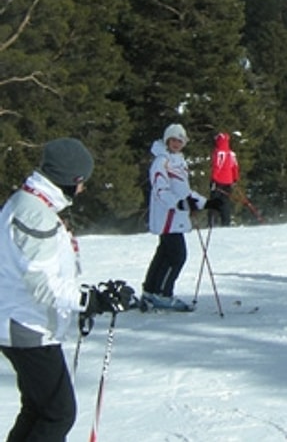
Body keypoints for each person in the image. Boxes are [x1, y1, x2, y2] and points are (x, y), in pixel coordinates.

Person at [0, 138, 134, 441]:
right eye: (82, 181)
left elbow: (45, 272)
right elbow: (43, 285)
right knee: (58, 413)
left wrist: (84, 297)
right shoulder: (35, 214)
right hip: (27, 326)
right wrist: (91, 300)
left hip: (22, 321)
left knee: (37, 409)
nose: (83, 188)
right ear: (70, 179)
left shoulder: (32, 203)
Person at [141, 124, 221, 311]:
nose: (177, 144)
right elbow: (160, 189)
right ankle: (163, 294)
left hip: (176, 215)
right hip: (167, 216)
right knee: (177, 256)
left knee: (164, 254)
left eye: (180, 140)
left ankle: (150, 291)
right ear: (167, 140)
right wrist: (178, 204)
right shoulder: (162, 161)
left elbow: (184, 191)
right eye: (174, 140)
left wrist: (205, 203)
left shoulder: (178, 160)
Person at [209, 132, 240, 227]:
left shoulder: (219, 152)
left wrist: (213, 179)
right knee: (225, 203)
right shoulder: (231, 153)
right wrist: (235, 179)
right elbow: (235, 167)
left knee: (214, 202)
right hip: (229, 182)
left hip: (218, 182)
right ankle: (226, 223)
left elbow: (216, 166)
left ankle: (211, 223)